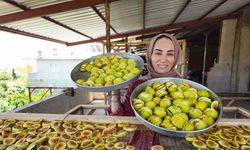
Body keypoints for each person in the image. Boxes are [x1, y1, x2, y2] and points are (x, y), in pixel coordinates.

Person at [106, 33, 181, 149]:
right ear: (149, 55)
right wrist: (114, 93)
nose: (163, 59)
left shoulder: (185, 87)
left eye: (170, 54)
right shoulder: (137, 85)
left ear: (176, 57)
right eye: (158, 52)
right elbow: (123, 117)